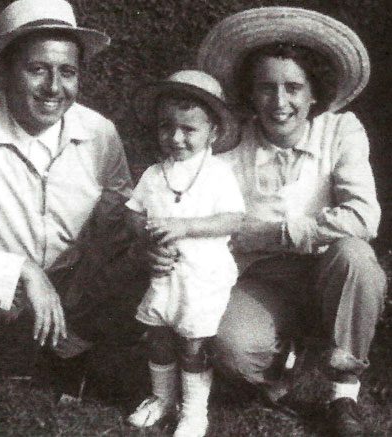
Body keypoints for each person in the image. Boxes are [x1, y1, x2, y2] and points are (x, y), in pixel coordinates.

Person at [144, 7, 386, 437]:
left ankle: (343, 391)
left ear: (314, 92)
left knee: (357, 257)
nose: (280, 102)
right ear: (250, 94)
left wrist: (278, 231)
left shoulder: (341, 130)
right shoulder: (231, 142)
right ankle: (286, 372)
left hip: (332, 268)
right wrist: (161, 245)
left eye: (294, 88)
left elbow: (364, 216)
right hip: (260, 277)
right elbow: (191, 208)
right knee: (229, 347)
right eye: (266, 88)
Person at [0, 0, 134, 419]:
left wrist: (94, 277)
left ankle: (75, 356)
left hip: (78, 286)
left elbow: (120, 214)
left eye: (67, 72)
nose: (53, 87)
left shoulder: (99, 132)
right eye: (37, 69)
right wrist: (23, 270)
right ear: (3, 70)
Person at [125, 70, 244, 437]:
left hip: (203, 277)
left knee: (193, 343)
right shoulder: (154, 174)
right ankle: (161, 398)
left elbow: (233, 219)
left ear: (213, 132)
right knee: (158, 336)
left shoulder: (218, 174)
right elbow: (133, 211)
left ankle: (194, 412)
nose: (175, 138)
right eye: (166, 127)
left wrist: (186, 227)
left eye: (188, 129)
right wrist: (144, 240)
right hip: (164, 275)